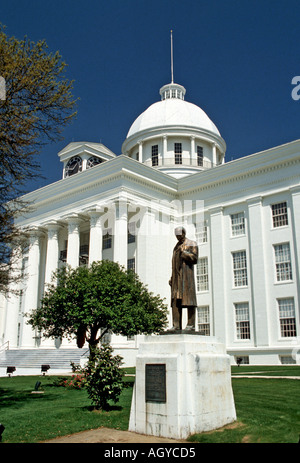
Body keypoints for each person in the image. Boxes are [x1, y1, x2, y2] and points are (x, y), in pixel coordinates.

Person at [169, 226, 198, 331]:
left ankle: (191, 325)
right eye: (176, 235)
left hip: (186, 276)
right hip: (177, 278)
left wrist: (184, 253)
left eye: (179, 235)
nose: (177, 237)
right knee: (175, 301)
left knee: (189, 300)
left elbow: (195, 258)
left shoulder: (191, 243)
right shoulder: (176, 246)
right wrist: (172, 277)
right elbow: (174, 263)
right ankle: (176, 325)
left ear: (184, 233)